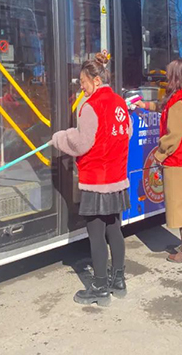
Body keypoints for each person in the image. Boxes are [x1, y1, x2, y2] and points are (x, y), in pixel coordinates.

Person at [51, 51, 131, 306]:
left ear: (96, 80)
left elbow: (82, 143)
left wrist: (60, 138)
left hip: (96, 179)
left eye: (84, 82)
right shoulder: (119, 102)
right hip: (116, 177)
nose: (81, 87)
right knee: (114, 229)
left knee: (96, 234)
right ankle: (118, 280)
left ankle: (99, 286)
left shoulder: (90, 106)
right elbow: (127, 132)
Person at [136, 58, 182, 264]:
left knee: (181, 206)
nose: (165, 76)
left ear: (176, 76)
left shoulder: (179, 101)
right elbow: (163, 108)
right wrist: (144, 105)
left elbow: (173, 136)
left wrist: (159, 155)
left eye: (168, 73)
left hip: (179, 161)